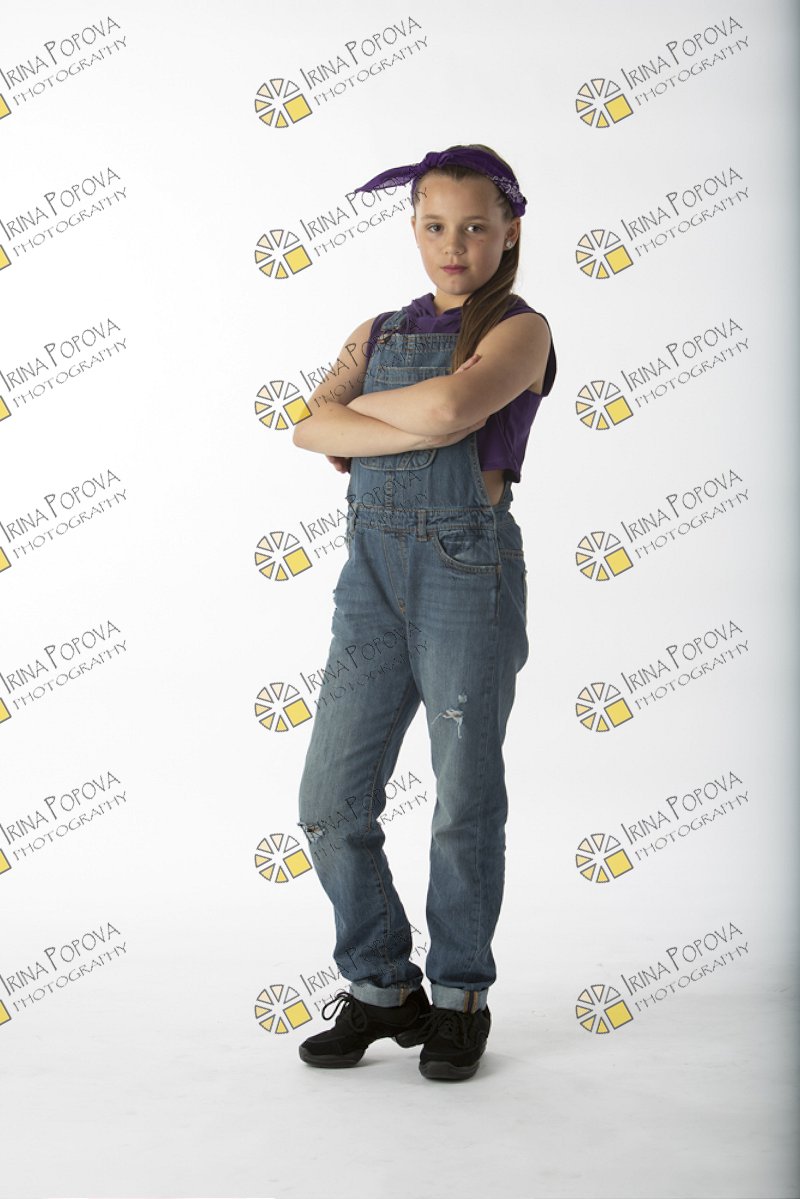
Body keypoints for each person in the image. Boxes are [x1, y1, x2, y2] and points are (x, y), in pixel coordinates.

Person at [291, 144, 557, 1081]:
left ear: (508, 231)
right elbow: (307, 425)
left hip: (465, 569)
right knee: (329, 801)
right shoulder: (376, 327)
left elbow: (450, 410)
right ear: (413, 228)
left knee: (462, 796)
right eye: (436, 225)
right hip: (368, 574)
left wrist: (365, 414)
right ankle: (381, 987)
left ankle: (459, 998)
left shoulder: (521, 331)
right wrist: (391, 413)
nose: (455, 244)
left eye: (476, 226)